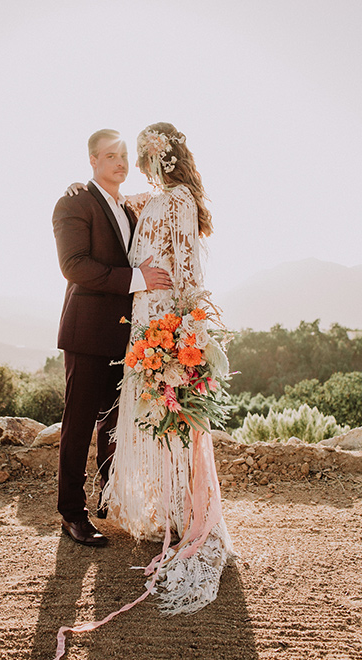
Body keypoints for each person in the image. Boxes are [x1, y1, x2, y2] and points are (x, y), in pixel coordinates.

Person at [100, 123, 234, 614]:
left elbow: (186, 269)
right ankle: (164, 510)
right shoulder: (156, 198)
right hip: (142, 319)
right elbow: (118, 200)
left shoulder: (178, 201)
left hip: (163, 322)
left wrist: (184, 333)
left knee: (172, 421)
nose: (139, 164)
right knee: (151, 418)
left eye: (142, 155)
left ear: (162, 157)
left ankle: (185, 512)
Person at [52, 128, 172, 548]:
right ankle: (72, 514)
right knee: (79, 423)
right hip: (86, 333)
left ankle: (108, 498)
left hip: (125, 336)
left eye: (123, 156)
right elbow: (74, 266)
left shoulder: (129, 207)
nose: (119, 163)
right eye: (109, 156)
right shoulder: (74, 202)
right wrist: (137, 279)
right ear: (92, 161)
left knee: (114, 422)